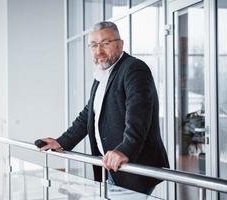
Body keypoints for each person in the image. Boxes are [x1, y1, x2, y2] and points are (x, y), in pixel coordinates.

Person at [39, 21, 169, 195]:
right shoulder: (103, 73)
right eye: (93, 45)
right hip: (110, 164)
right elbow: (89, 114)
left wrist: (124, 150)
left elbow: (139, 115)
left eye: (105, 44)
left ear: (120, 44)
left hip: (131, 165)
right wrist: (62, 142)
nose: (98, 51)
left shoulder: (134, 69)